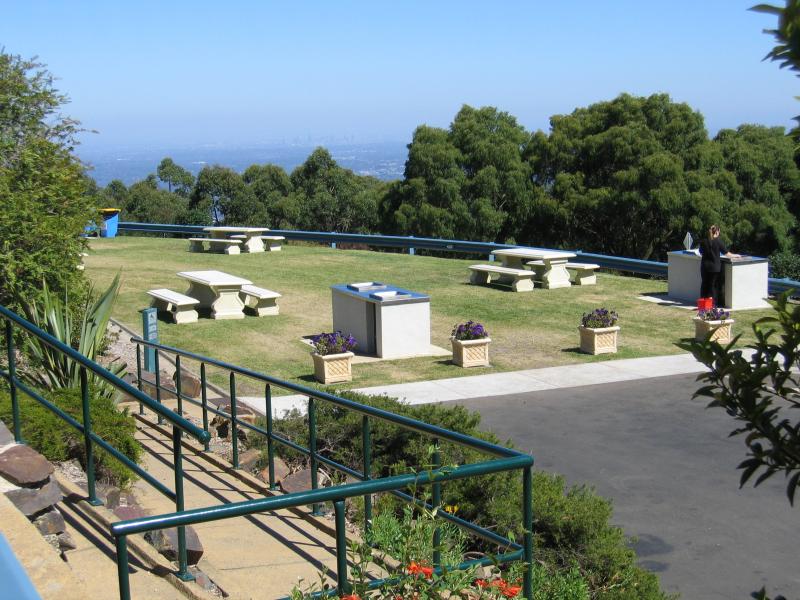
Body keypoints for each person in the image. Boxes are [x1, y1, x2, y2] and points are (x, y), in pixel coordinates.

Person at [698, 225, 740, 307]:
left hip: (705, 267)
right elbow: (727, 254)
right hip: (715, 268)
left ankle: (703, 305)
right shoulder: (718, 241)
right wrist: (736, 255)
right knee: (712, 286)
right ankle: (712, 305)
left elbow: (700, 252)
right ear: (717, 232)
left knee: (704, 285)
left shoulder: (704, 241)